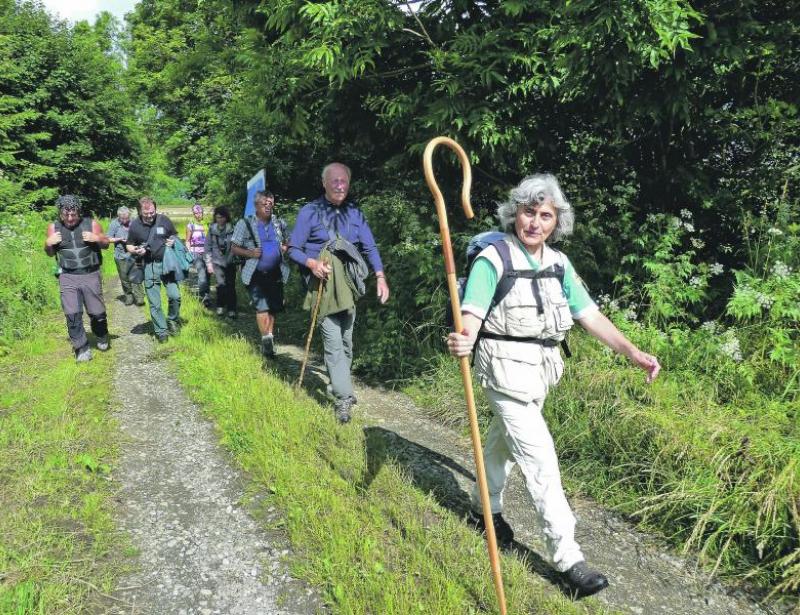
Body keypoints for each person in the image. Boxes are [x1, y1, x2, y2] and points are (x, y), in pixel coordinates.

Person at [446, 174, 660, 597]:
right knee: (541, 459)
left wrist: (633, 352)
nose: (535, 223)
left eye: (545, 215)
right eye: (529, 212)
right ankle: (568, 559)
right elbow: (470, 315)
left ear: (556, 221)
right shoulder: (493, 259)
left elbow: (590, 316)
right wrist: (464, 338)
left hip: (540, 373)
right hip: (504, 374)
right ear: (515, 213)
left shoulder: (560, 264)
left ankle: (480, 509)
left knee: (501, 445)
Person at [288, 162, 390, 423]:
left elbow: (370, 248)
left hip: (349, 287)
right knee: (333, 341)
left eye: (344, 181)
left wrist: (380, 277)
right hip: (321, 288)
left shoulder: (355, 214)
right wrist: (312, 264)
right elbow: (293, 249)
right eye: (334, 181)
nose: (339, 185)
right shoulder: (309, 212)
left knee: (346, 340)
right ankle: (344, 397)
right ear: (324, 183)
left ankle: (337, 383)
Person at [44, 194, 110, 361]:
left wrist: (97, 238)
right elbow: (50, 252)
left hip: (90, 274)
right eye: (66, 215)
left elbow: (106, 243)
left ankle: (101, 334)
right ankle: (81, 348)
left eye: (74, 214)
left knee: (97, 313)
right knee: (72, 313)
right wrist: (48, 243)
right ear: (60, 213)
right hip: (67, 275)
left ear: (78, 212)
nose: (70, 218)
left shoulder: (91, 224)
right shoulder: (54, 228)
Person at [232, 191, 288, 356]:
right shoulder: (245, 223)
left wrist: (286, 247)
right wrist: (250, 253)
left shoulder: (279, 223)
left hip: (277, 272)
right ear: (256, 205)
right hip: (255, 272)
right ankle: (266, 341)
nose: (268, 206)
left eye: (271, 203)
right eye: (265, 204)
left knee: (273, 307)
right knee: (262, 307)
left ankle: (269, 338)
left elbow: (288, 240)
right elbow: (234, 247)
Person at [126, 197, 181, 343]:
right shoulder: (135, 225)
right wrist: (136, 251)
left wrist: (173, 240)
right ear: (139, 211)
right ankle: (161, 331)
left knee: (175, 296)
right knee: (154, 302)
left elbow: (174, 234)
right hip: (149, 265)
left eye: (152, 212)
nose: (150, 215)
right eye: (146, 213)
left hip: (167, 264)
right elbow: (129, 245)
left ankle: (173, 320)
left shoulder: (164, 220)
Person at [107, 206, 145, 306]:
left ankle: (140, 297)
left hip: (134, 254)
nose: (125, 220)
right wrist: (119, 239)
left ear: (129, 216)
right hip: (120, 255)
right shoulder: (114, 224)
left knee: (136, 276)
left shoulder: (135, 222)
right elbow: (108, 239)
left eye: (126, 218)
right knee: (124, 277)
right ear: (118, 216)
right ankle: (129, 296)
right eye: (122, 218)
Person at [207, 206, 237, 318]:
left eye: (222, 217)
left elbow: (237, 245)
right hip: (217, 261)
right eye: (218, 217)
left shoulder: (232, 229)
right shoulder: (211, 230)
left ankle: (232, 309)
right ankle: (220, 306)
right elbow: (207, 247)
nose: (220, 220)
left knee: (230, 285)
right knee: (220, 285)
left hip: (230, 261)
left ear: (226, 218)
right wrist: (209, 263)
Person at [185, 203, 212, 307]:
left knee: (208, 275)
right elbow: (187, 241)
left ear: (202, 212)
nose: (198, 214)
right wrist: (190, 252)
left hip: (208, 253)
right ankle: (204, 297)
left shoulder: (207, 224)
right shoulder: (190, 225)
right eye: (196, 212)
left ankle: (207, 294)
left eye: (200, 212)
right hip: (196, 253)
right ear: (193, 213)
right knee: (202, 275)